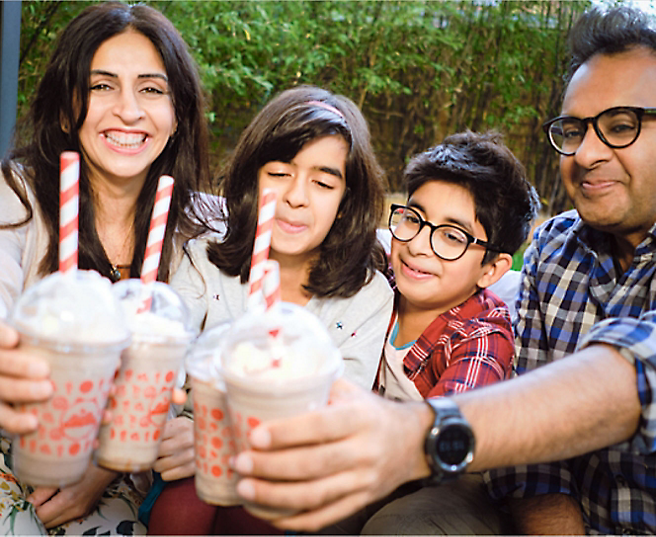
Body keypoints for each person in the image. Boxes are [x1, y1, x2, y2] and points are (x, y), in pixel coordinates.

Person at [218, 6, 656, 536]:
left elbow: (637, 370)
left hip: (433, 474)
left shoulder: (478, 333)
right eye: (573, 130)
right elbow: (535, 468)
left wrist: (410, 434)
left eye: (620, 127)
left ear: (492, 267)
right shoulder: (553, 248)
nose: (586, 153)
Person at [0, 2, 212, 534]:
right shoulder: (15, 198)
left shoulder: (201, 234)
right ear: (69, 108)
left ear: (177, 111)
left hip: (122, 476)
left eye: (151, 88)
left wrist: (104, 463)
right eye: (101, 87)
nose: (128, 110)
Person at [146, 85, 394, 534]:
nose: (296, 196)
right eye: (279, 173)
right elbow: (165, 375)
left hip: (290, 470)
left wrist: (220, 440)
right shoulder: (205, 261)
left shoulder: (367, 295)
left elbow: (334, 414)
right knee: (187, 502)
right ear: (252, 179)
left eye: (322, 182)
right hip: (186, 464)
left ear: (345, 202)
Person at [319, 130, 539, 534]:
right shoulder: (375, 282)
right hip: (370, 453)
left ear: (490, 270)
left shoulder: (482, 336)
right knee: (321, 507)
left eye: (452, 236)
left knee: (396, 528)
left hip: (453, 476)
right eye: (413, 218)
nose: (419, 244)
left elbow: (437, 437)